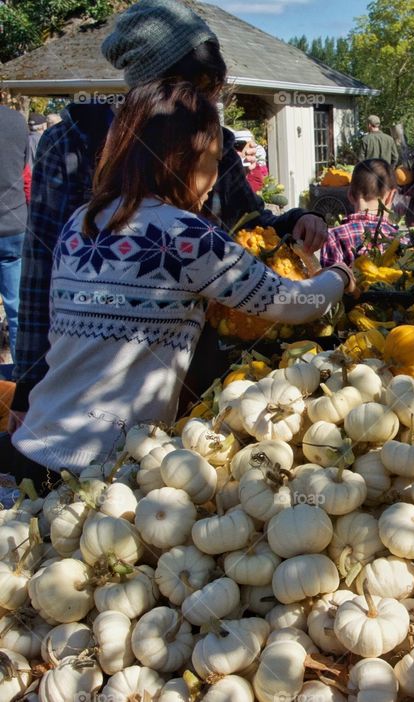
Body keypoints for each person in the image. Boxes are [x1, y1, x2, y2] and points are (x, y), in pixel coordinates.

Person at [4, 81, 353, 483]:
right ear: (182, 159)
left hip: (35, 443)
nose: (215, 176)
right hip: (107, 466)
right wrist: (340, 275)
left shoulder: (81, 222)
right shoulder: (188, 237)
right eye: (212, 160)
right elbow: (293, 304)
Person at [10, 0, 331, 433]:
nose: (201, 103)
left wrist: (295, 220)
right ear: (152, 86)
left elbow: (250, 220)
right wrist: (28, 383)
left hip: (193, 362)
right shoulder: (71, 143)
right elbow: (38, 270)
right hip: (94, 382)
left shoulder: (207, 140)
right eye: (192, 88)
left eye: (208, 91)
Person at [315, 159, 400, 267]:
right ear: (391, 196)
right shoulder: (399, 240)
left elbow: (329, 280)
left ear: (350, 194)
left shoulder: (334, 237)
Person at [0, 106, 28, 358]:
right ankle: (20, 373)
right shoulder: (16, 120)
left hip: (14, 222)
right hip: (14, 221)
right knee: (17, 305)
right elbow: (24, 168)